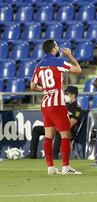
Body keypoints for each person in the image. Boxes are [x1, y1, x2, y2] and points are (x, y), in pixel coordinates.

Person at [30, 39, 82, 175]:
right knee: (65, 135)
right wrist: (69, 55)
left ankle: (51, 168)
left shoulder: (38, 66)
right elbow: (78, 69)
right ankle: (66, 167)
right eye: (57, 46)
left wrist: (45, 89)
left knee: (48, 135)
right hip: (58, 104)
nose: (58, 48)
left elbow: (32, 86)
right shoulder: (58, 61)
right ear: (53, 49)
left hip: (46, 104)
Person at [28, 86, 82, 160]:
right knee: (36, 129)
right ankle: (32, 154)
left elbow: (70, 124)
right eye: (64, 93)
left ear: (73, 95)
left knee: (60, 131)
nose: (65, 95)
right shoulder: (62, 105)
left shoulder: (77, 108)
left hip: (67, 130)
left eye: (67, 93)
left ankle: (54, 155)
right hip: (56, 126)